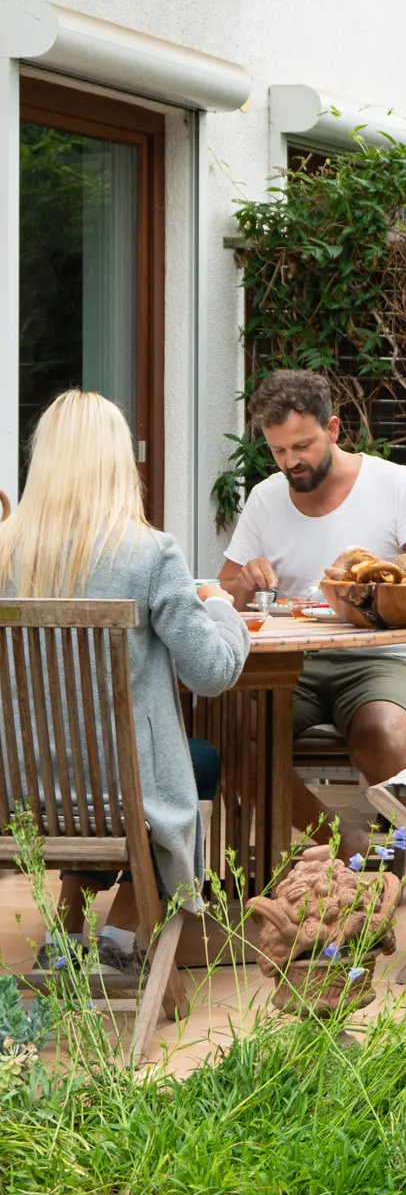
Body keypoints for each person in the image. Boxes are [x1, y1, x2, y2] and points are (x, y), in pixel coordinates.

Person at [0, 390, 248, 968]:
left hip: (24, 793)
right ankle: (119, 935)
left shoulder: (4, 552)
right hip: (119, 794)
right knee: (198, 760)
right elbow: (210, 674)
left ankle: (65, 935)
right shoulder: (150, 554)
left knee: (90, 763)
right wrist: (221, 609)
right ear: (117, 464)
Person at [219, 370, 406, 841]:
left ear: (333, 429)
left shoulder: (393, 485)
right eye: (278, 451)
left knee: (382, 736)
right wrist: (243, 584)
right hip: (290, 664)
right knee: (232, 738)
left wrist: (376, 581)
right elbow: (224, 593)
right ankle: (344, 846)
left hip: (381, 660)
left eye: (303, 446)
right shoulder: (265, 499)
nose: (291, 462)